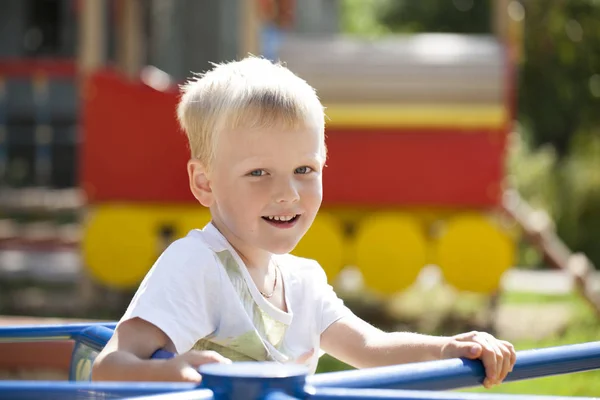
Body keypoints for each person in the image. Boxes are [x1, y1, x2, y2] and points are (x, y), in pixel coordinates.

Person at [91, 56, 516, 388]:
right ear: (204, 183)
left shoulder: (303, 282)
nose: (288, 194)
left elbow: (370, 347)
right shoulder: (196, 266)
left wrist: (448, 347)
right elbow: (109, 367)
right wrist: (175, 372)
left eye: (304, 171)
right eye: (259, 173)